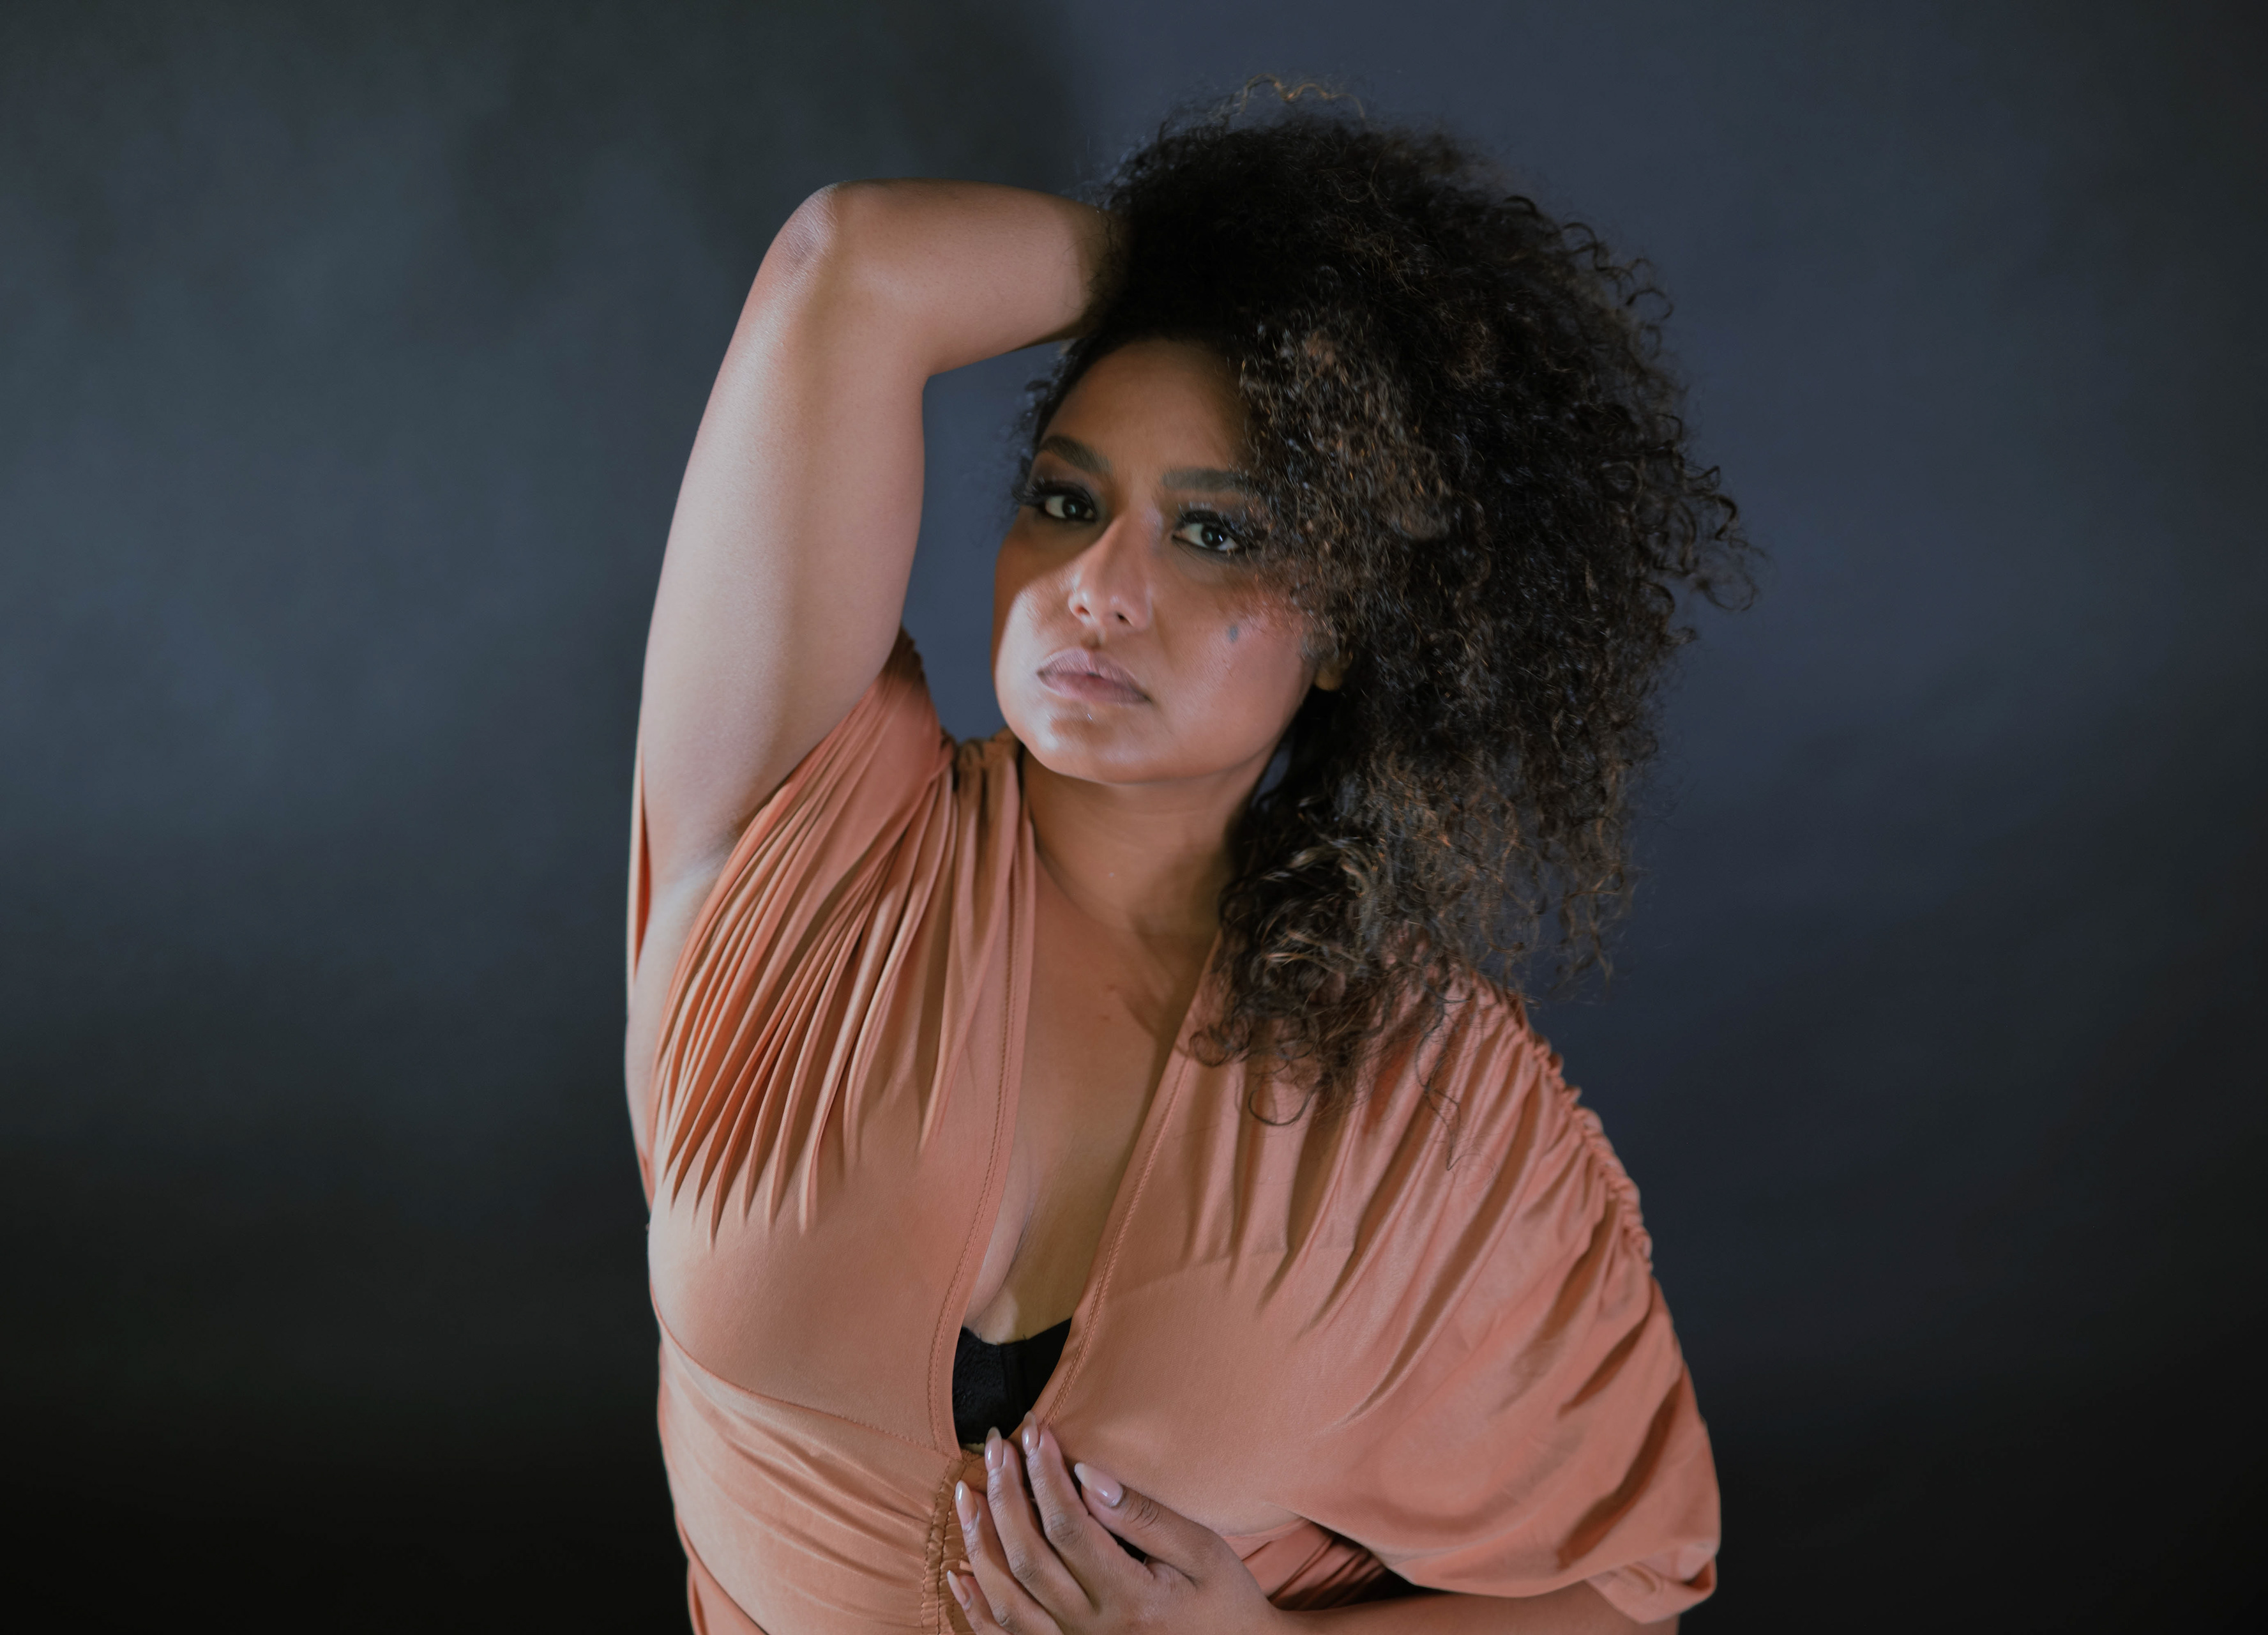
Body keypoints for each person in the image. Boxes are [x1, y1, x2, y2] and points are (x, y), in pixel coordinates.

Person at [623, 93, 1747, 1635]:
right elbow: (853, 263)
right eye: (1067, 501)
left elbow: (1622, 1598)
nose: (1098, 583)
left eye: (1214, 532)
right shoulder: (804, 830)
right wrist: (1245, 282)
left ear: (1342, 629)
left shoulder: (1433, 1101)